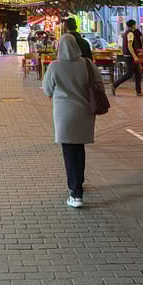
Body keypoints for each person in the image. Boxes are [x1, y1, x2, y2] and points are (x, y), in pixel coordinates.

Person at [42, 33, 104, 208]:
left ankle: (76, 192)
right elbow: (99, 83)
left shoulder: (55, 66)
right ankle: (79, 181)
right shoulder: (87, 64)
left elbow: (47, 90)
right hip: (85, 112)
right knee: (79, 148)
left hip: (64, 114)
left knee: (69, 151)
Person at [113, 19, 143, 97]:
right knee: (129, 74)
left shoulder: (126, 33)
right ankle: (115, 85)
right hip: (130, 56)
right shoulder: (130, 33)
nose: (136, 25)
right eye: (135, 24)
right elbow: (129, 45)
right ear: (133, 25)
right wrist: (135, 56)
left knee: (138, 74)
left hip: (129, 56)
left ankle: (138, 91)